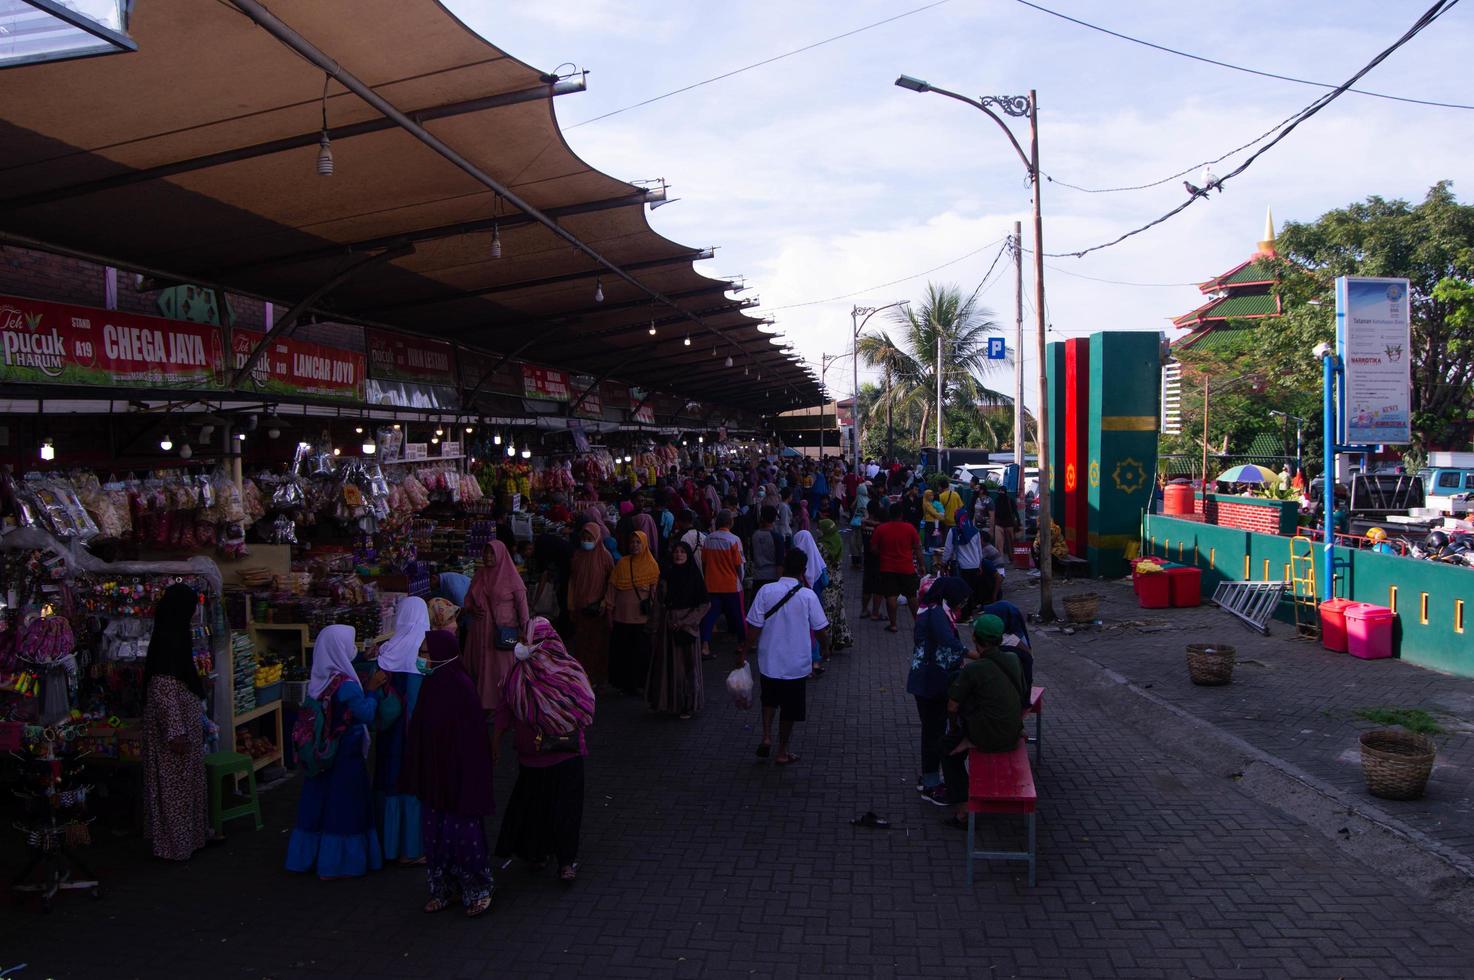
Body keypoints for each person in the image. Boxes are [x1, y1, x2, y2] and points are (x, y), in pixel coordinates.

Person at [398, 630, 497, 916]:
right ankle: (443, 889)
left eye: (426, 654)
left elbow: (472, 742)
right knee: (436, 837)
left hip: (459, 778)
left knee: (464, 837)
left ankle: (478, 889)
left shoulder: (461, 688)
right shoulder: (432, 686)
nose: (421, 659)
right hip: (434, 776)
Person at [494, 619, 593, 883]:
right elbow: (584, 706)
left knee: (551, 808)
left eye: (528, 641)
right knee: (552, 808)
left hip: (549, 755)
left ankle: (553, 858)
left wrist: (495, 743)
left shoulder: (528, 674)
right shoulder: (553, 671)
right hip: (550, 754)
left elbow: (584, 706)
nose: (524, 645)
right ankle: (553, 857)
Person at [286, 625, 386, 879]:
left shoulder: (319, 678)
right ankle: (341, 862)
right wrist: (373, 690)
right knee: (344, 807)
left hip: (321, 756)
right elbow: (365, 713)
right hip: (345, 756)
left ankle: (306, 857)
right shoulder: (346, 685)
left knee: (317, 804)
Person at [141, 584, 209, 862]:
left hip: (182, 732)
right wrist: (176, 731)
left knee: (184, 789)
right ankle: (176, 846)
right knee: (174, 793)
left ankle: (190, 840)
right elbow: (163, 689)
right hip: (173, 738)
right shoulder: (170, 644)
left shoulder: (173, 638)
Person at [937, 614, 1028, 823]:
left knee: (946, 749)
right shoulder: (1014, 659)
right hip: (1012, 730)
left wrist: (955, 728)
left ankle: (963, 811)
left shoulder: (975, 668)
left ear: (977, 641)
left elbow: (952, 706)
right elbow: (1022, 693)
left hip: (991, 736)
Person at [742, 549, 829, 766]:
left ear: (783, 566)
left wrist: (743, 651)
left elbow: (753, 626)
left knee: (769, 699)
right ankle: (782, 750)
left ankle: (766, 735)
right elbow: (820, 629)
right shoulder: (808, 596)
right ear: (803, 570)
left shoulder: (765, 591)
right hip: (796, 663)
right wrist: (825, 649)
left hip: (769, 659)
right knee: (790, 708)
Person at [372, 595, 430, 863]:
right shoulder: (426, 654)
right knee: (415, 783)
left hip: (389, 731)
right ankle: (413, 848)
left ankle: (389, 845)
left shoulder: (386, 652)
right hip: (417, 733)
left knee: (389, 778)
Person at [907, 577, 970, 806]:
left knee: (932, 731)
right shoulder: (935, 613)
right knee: (934, 734)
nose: (961, 605)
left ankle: (929, 778)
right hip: (930, 682)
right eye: (960, 600)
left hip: (930, 680)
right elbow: (947, 641)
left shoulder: (933, 610)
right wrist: (972, 654)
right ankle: (931, 785)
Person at [464, 540, 530, 713]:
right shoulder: (480, 574)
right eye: (486, 552)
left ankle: (502, 706)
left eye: (492, 553)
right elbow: (468, 599)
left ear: (501, 554)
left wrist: (526, 632)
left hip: (502, 632)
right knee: (480, 666)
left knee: (501, 670)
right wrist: (471, 609)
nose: (487, 556)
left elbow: (523, 608)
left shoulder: (512, 577)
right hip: (480, 631)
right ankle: (483, 705)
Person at [648, 540, 707, 717]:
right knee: (669, 665)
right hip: (668, 627)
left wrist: (686, 621)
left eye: (682, 552)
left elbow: (704, 604)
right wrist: (655, 625)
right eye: (676, 551)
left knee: (686, 667)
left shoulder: (694, 576)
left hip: (687, 627)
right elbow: (659, 602)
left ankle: (687, 703)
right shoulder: (667, 576)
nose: (678, 554)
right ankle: (669, 701)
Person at [606, 529, 659, 695]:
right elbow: (612, 588)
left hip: (641, 619)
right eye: (632, 542)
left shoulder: (651, 565)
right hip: (622, 617)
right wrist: (609, 608)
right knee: (623, 653)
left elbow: (655, 594)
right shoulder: (622, 563)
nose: (634, 546)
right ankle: (624, 685)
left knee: (641, 653)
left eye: (638, 542)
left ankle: (641, 684)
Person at [568, 522, 614, 691]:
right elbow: (572, 581)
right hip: (581, 607)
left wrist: (605, 602)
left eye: (590, 538)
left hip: (597, 610)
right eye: (584, 538)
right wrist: (571, 604)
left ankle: (596, 676)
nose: (586, 541)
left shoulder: (605, 556)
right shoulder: (578, 556)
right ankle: (582, 675)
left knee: (597, 644)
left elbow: (611, 582)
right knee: (581, 644)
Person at [699, 510, 747, 661]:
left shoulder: (708, 539)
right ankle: (742, 643)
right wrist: (741, 580)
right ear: (730, 522)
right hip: (731, 585)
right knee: (739, 615)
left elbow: (704, 561)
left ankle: (704, 645)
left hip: (712, 584)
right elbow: (739, 565)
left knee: (710, 615)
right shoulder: (734, 540)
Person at [871, 503, 925, 632]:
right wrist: (922, 565)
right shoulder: (910, 528)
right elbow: (918, 549)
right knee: (912, 596)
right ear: (901, 514)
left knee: (891, 596)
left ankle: (893, 624)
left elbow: (873, 549)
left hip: (887, 567)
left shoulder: (881, 529)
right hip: (907, 567)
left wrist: (884, 554)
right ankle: (918, 623)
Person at [942, 509, 996, 613]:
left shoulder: (953, 531)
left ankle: (965, 615)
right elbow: (979, 550)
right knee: (971, 589)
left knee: (962, 591)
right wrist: (980, 564)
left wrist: (943, 563)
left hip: (961, 567)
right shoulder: (975, 531)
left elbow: (948, 550)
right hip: (975, 565)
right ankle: (971, 611)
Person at [748, 504, 785, 594]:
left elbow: (752, 556)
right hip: (772, 576)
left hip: (757, 576)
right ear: (774, 519)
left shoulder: (754, 535)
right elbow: (780, 561)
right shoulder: (777, 537)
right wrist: (780, 582)